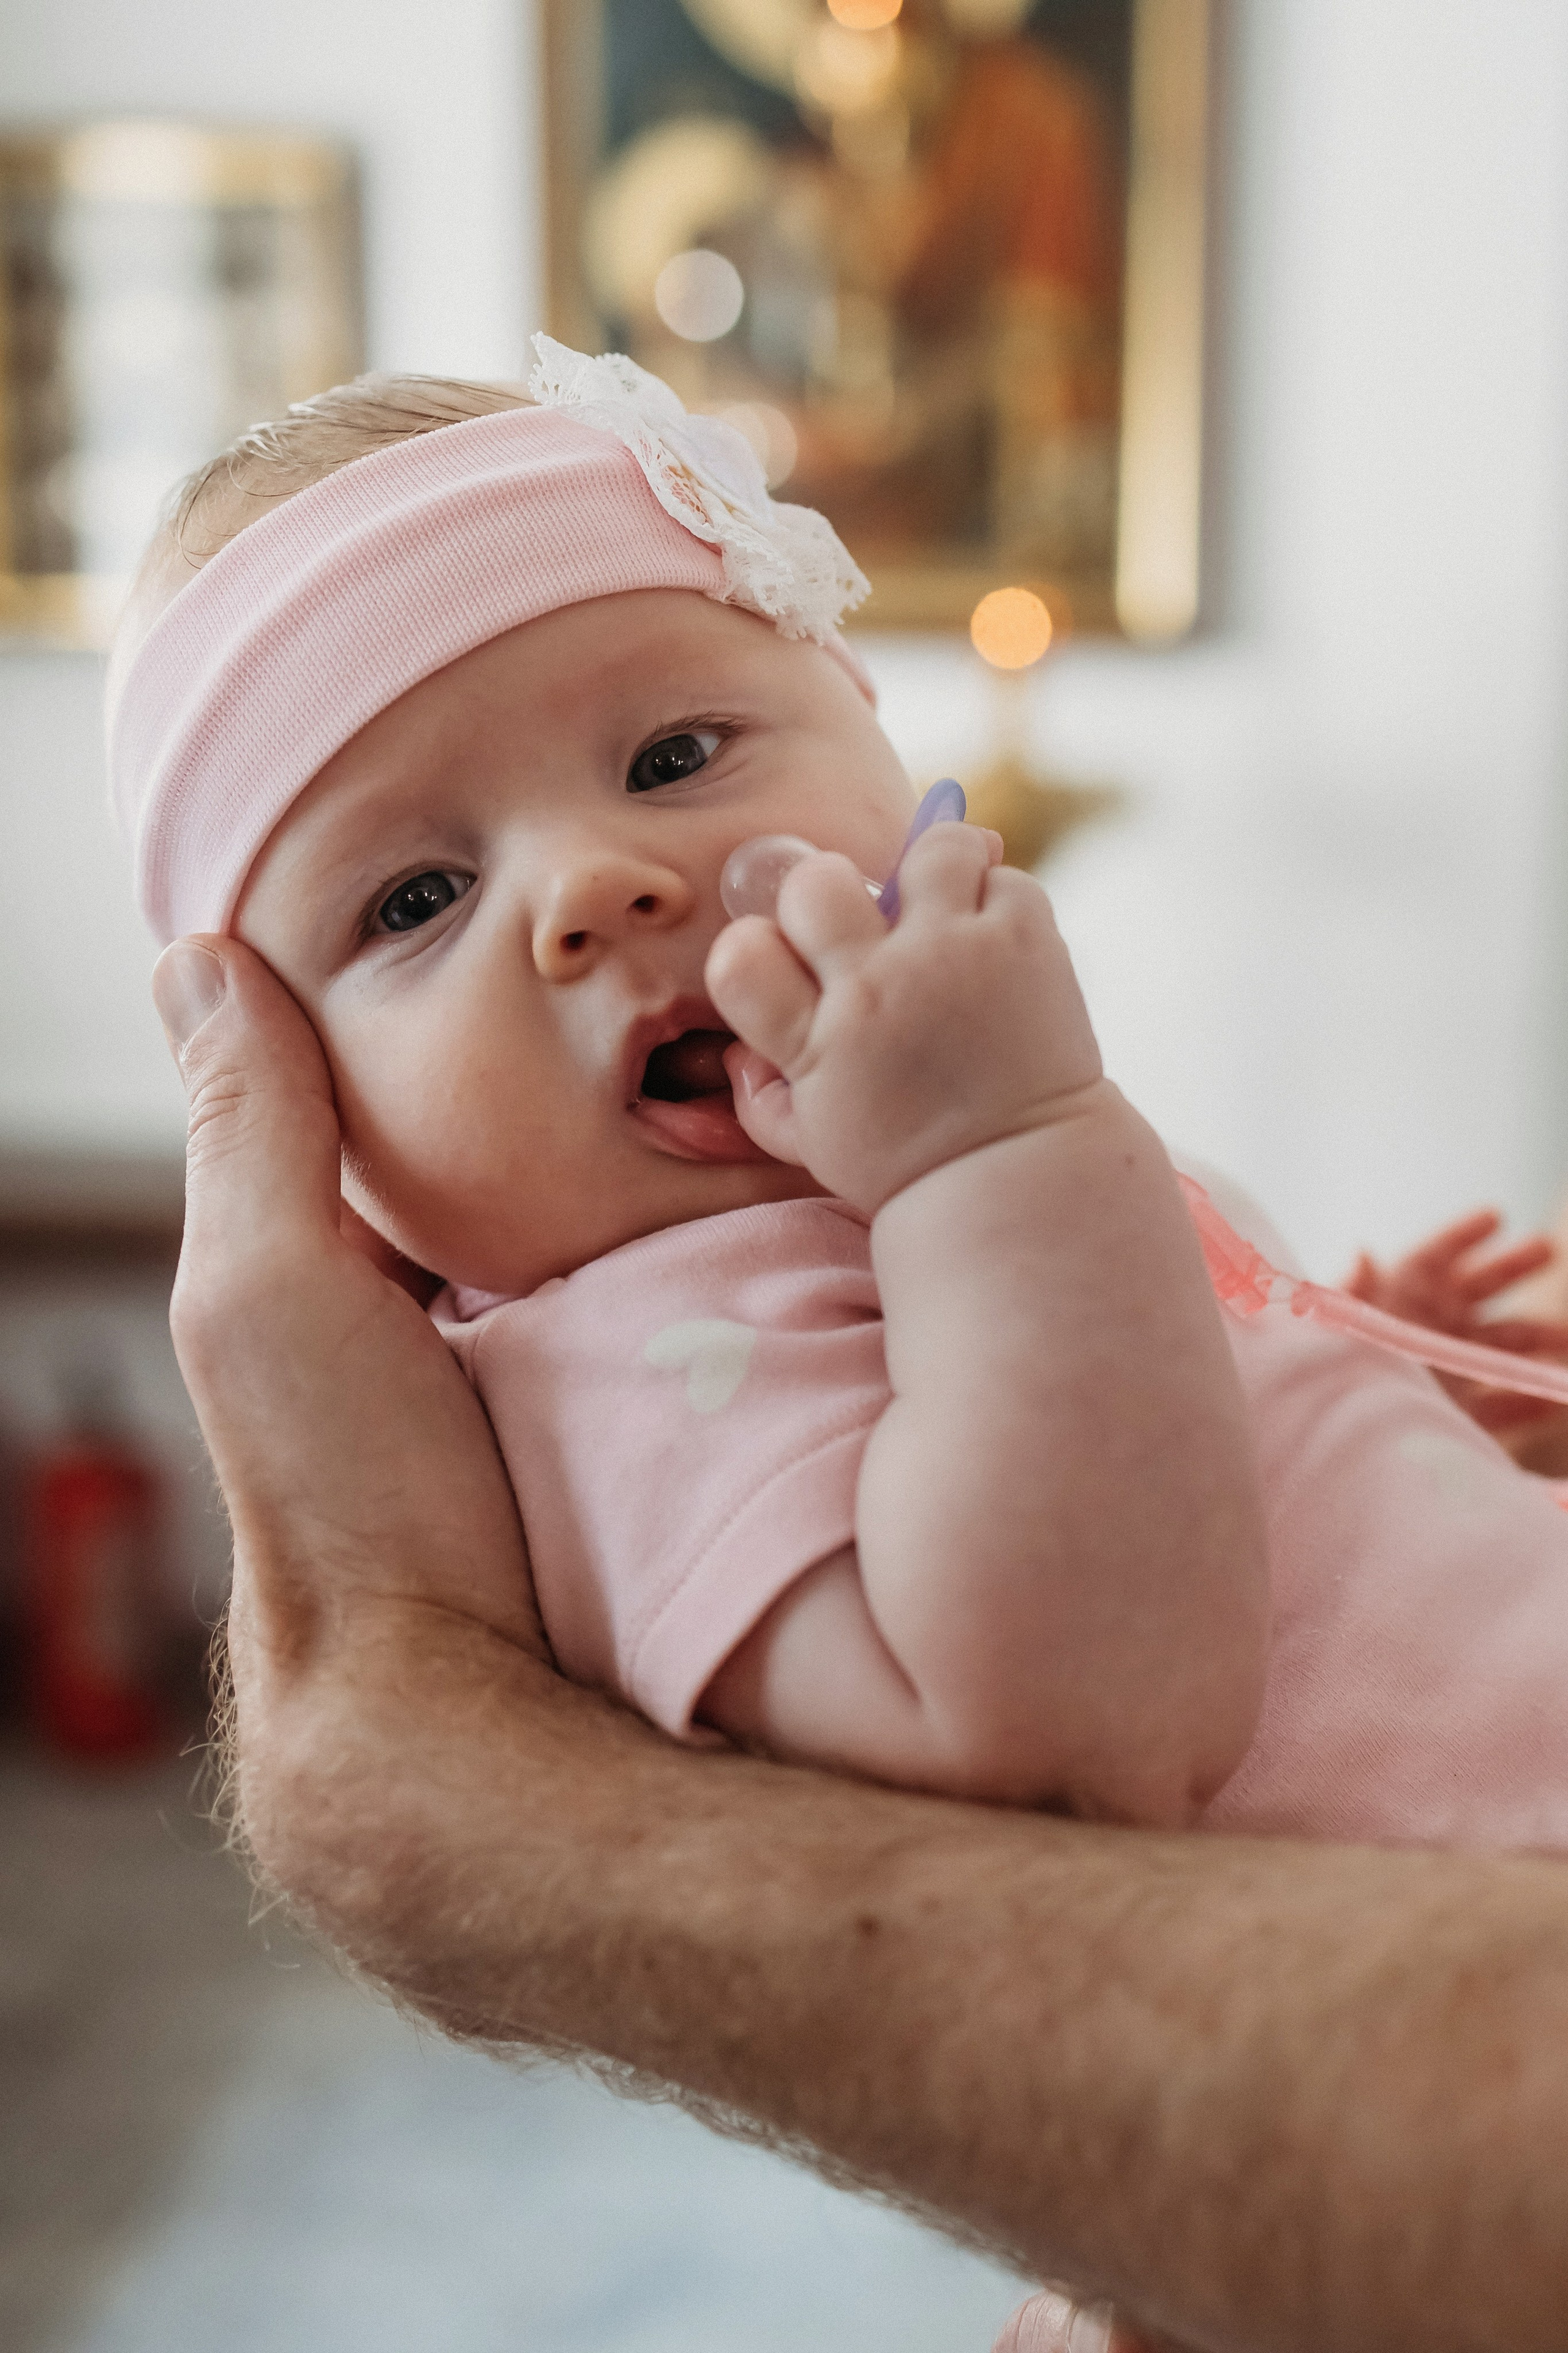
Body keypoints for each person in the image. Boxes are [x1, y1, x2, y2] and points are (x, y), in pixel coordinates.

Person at [116, 338, 1568, 2341]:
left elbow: (1155, 1454)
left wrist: (1346, 1379)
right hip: (1434, 2056)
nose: (597, 882)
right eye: (420, 895)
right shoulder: (634, 1376)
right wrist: (1008, 1147)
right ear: (323, 1141)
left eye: (675, 755)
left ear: (876, 739)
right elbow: (1063, 1726)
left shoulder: (862, 1179)